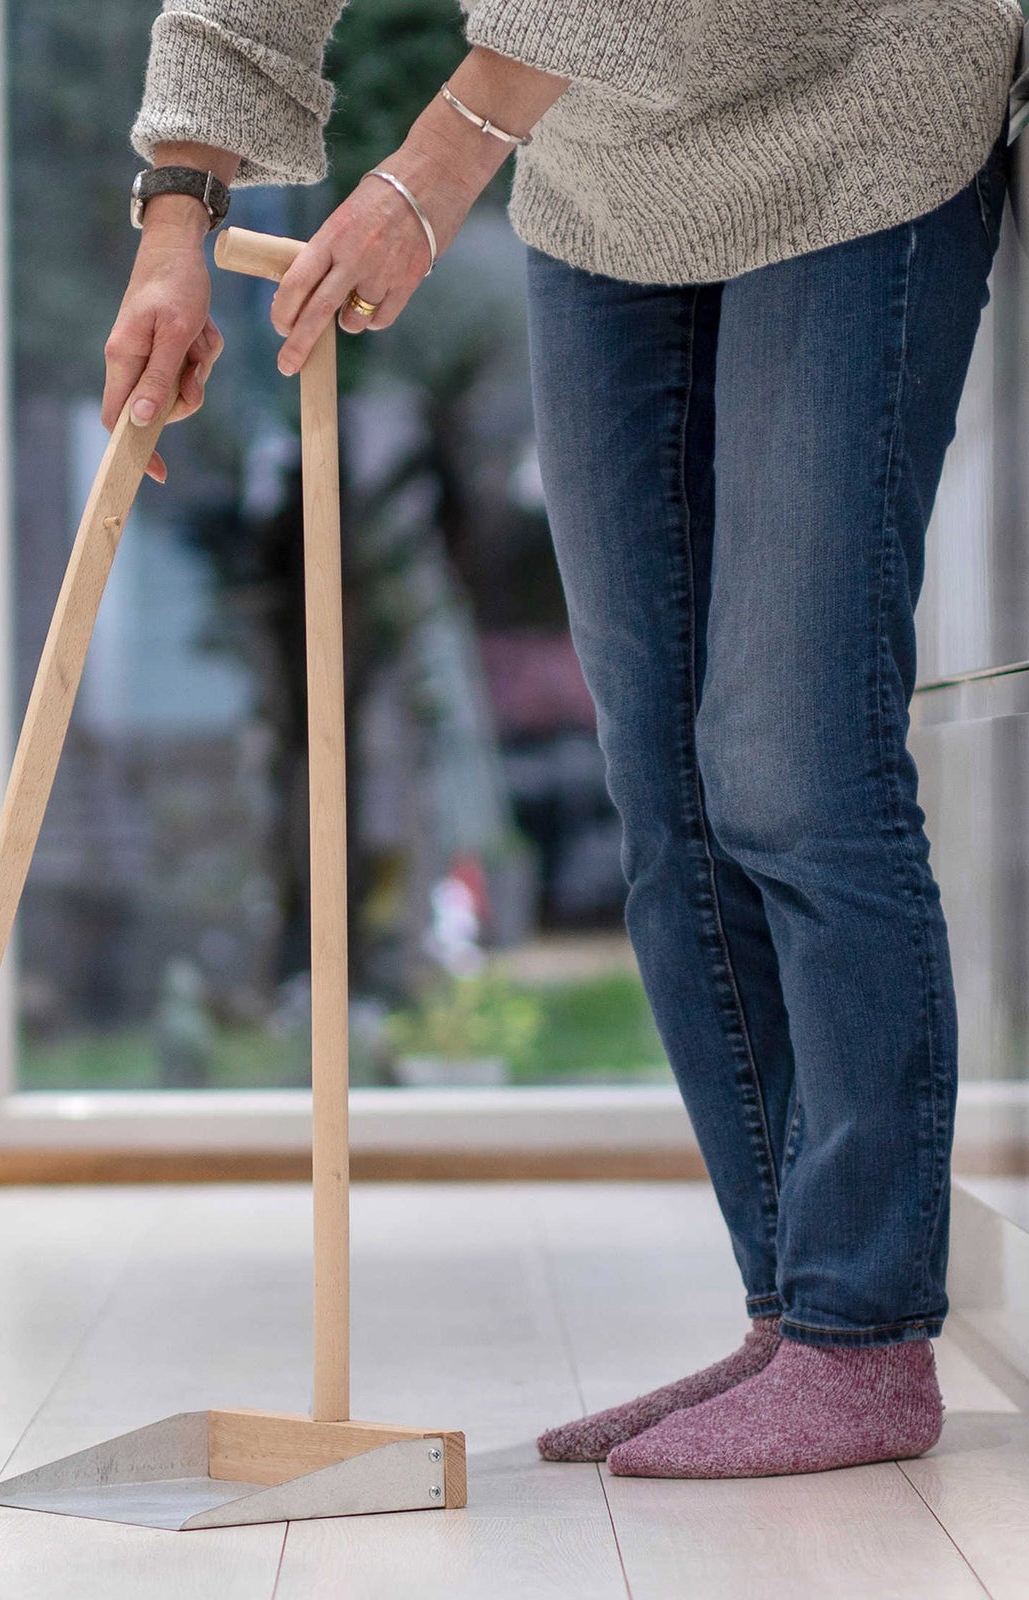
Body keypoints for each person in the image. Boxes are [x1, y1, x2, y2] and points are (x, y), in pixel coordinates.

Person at [105, 0, 1022, 1479]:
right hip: (602, 192)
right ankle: (790, 1318)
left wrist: (436, 160)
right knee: (661, 783)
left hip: (858, 112)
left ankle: (866, 1338)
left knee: (791, 754)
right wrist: (176, 219)